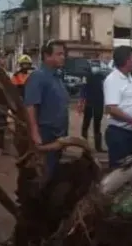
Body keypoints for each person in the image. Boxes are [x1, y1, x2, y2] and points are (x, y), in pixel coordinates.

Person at [23, 40, 70, 178]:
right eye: (59, 54)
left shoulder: (57, 77)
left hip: (59, 135)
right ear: (47, 56)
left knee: (55, 171)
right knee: (45, 173)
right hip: (46, 134)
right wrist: (34, 132)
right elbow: (30, 105)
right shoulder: (38, 77)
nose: (63, 57)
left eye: (63, 54)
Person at [78, 66, 107, 152]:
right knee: (94, 125)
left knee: (87, 125)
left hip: (92, 103)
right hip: (96, 103)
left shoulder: (88, 77)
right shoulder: (101, 76)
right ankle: (94, 147)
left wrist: (81, 102)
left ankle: (86, 147)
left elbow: (83, 90)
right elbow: (83, 90)